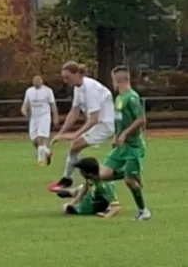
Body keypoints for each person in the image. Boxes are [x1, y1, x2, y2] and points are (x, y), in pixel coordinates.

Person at [48, 61, 115, 192]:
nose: (65, 80)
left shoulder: (91, 88)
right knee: (75, 147)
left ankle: (69, 180)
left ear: (78, 74)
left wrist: (74, 134)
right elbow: (73, 113)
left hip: (105, 125)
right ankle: (72, 180)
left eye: (67, 77)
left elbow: (94, 119)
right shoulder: (78, 88)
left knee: (75, 145)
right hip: (99, 124)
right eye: (63, 77)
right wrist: (59, 134)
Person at [101, 65, 150, 220]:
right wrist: (116, 135)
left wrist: (125, 134)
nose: (112, 84)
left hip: (133, 146)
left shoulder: (132, 97)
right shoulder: (119, 98)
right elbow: (120, 120)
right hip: (122, 146)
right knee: (104, 174)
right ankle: (132, 174)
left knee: (129, 182)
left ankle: (143, 211)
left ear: (118, 80)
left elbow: (141, 119)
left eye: (113, 80)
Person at [21, 75, 59, 166]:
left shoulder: (48, 91)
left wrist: (56, 117)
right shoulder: (29, 91)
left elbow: (53, 104)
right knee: (34, 140)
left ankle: (41, 161)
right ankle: (48, 152)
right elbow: (26, 104)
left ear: (42, 81)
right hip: (34, 118)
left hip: (44, 117)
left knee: (41, 138)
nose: (36, 82)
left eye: (38, 80)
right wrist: (24, 110)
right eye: (35, 81)